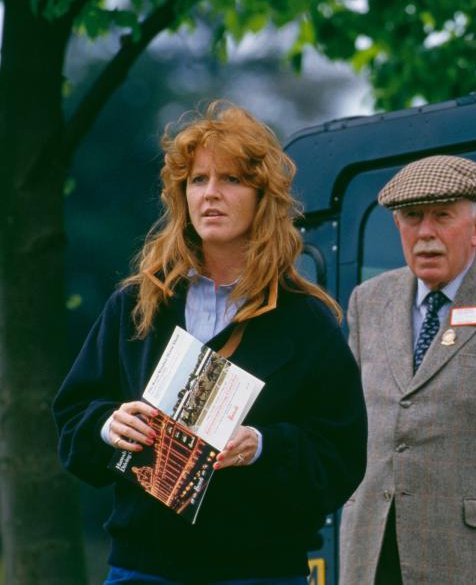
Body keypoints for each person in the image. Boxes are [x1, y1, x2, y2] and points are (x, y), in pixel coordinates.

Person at [53, 101, 367, 584]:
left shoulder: (305, 320)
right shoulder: (138, 305)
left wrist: (264, 446)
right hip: (142, 570)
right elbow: (72, 418)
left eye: (232, 180)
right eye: (198, 180)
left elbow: (343, 456)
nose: (211, 195)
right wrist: (106, 425)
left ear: (264, 197)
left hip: (258, 572)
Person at [339, 155, 476, 584]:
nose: (426, 233)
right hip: (372, 550)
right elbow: (350, 421)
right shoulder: (369, 300)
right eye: (412, 217)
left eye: (442, 216)